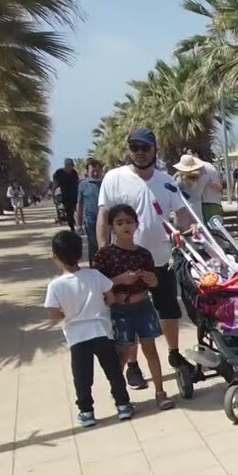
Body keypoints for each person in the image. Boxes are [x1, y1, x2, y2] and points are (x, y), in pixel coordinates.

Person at [94, 128, 196, 391]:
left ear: (154, 150)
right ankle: (132, 365)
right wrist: (104, 252)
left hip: (161, 260)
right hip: (124, 263)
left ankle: (174, 352)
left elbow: (183, 213)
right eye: (135, 147)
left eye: (145, 147)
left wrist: (188, 230)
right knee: (129, 313)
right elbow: (103, 216)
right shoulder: (114, 178)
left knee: (168, 309)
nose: (139, 152)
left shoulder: (166, 181)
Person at [44, 230, 134, 427]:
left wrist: (67, 314)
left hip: (76, 336)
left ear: (55, 257)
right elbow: (110, 297)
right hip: (102, 330)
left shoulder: (55, 286)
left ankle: (86, 411)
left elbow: (52, 313)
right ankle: (123, 405)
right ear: (80, 253)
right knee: (113, 370)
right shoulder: (94, 275)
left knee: (82, 376)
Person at [93, 205, 175, 410]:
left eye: (129, 222)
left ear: (137, 225)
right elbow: (96, 285)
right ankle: (121, 397)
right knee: (121, 354)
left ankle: (160, 392)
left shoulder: (144, 254)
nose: (125, 226)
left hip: (143, 306)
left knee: (151, 350)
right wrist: (118, 280)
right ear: (112, 228)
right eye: (120, 223)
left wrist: (152, 279)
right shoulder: (104, 255)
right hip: (120, 310)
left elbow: (154, 284)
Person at [76, 159, 104, 263]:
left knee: (105, 243)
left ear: (101, 170)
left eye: (97, 170)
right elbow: (79, 204)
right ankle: (94, 267)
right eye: (92, 171)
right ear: (88, 172)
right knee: (93, 244)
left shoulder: (105, 183)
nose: (95, 173)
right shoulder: (83, 185)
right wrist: (78, 224)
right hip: (90, 220)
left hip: (105, 219)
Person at [188, 149, 225, 223]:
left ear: (195, 155)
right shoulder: (210, 165)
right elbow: (219, 186)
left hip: (205, 205)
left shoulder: (198, 167)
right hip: (216, 204)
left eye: (189, 155)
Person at [172, 153, 209, 222]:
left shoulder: (179, 180)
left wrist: (178, 174)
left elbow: (171, 187)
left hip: (183, 211)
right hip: (197, 211)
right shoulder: (203, 178)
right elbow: (205, 174)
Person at [52, 158, 80, 231]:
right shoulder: (59, 172)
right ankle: (72, 227)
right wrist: (54, 191)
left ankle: (78, 225)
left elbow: (77, 183)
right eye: (68, 165)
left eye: (71, 165)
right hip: (65, 196)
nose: (70, 167)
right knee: (69, 213)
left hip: (75, 195)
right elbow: (55, 182)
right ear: (65, 165)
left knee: (77, 211)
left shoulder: (74, 172)